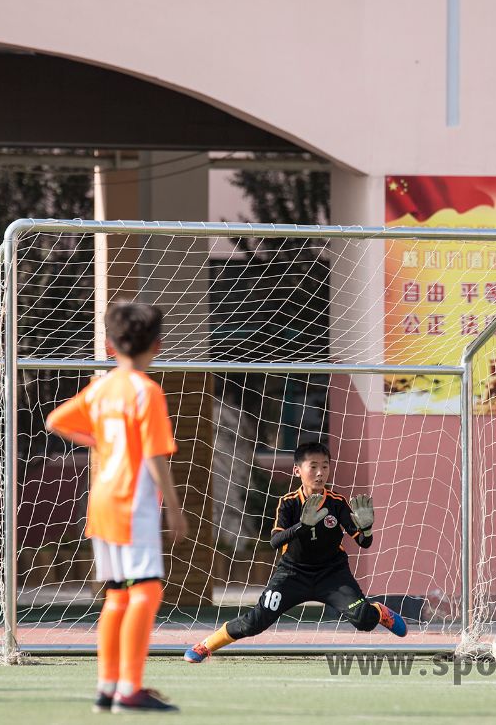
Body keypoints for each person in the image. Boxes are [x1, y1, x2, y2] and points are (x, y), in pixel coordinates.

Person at [46, 301, 188, 713]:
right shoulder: (146, 391)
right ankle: (130, 689)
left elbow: (55, 421)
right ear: (157, 345)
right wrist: (174, 507)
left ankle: (107, 688)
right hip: (133, 503)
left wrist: (100, 441)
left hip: (102, 502)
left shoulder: (103, 387)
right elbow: (155, 455)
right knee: (146, 590)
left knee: (117, 594)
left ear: (110, 345)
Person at [183, 441, 407, 662]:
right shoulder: (288, 503)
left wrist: (366, 529)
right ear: (297, 470)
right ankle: (206, 645)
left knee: (364, 620)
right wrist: (303, 525)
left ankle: (379, 611)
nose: (320, 473)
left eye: (325, 466)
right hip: (292, 574)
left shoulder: (337, 503)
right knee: (255, 622)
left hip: (332, 574)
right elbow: (275, 541)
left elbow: (364, 543)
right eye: (313, 466)